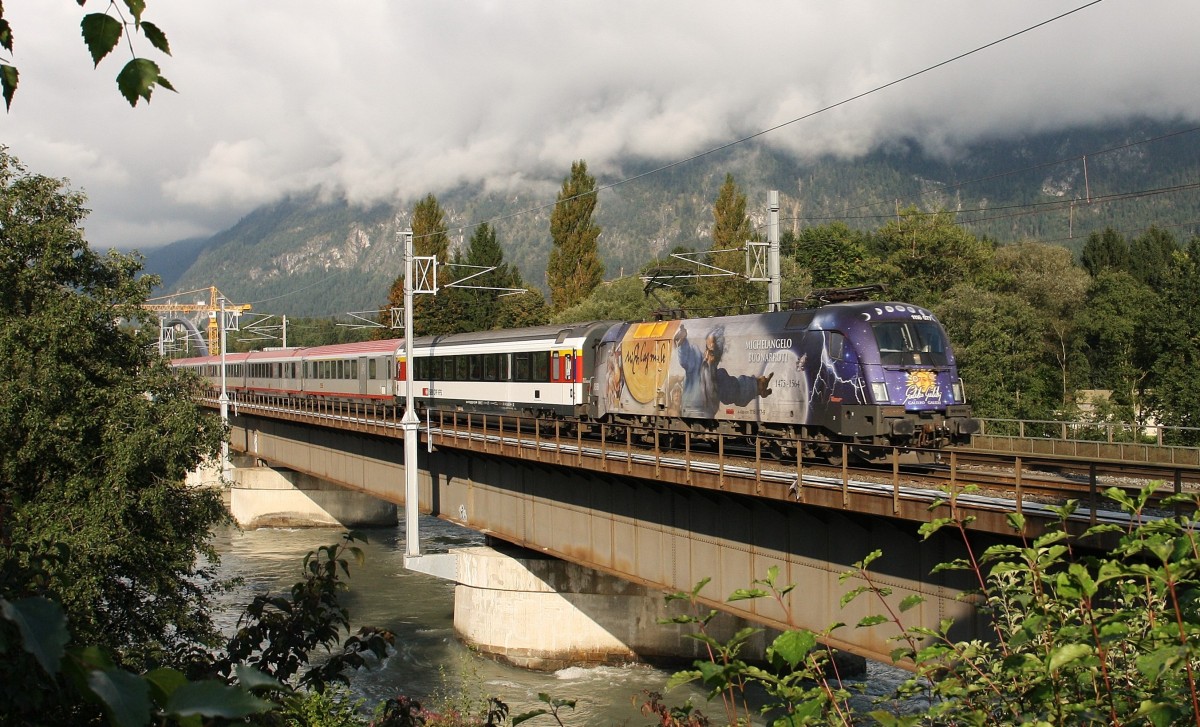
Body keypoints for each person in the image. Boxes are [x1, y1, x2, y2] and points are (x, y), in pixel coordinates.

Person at [673, 323, 773, 418]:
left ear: (717, 357)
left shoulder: (720, 378)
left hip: (706, 417)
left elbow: (737, 390)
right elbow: (685, 358)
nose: (706, 356)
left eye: (711, 353)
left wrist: (757, 385)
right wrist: (682, 342)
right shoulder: (695, 362)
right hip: (688, 414)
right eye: (706, 349)